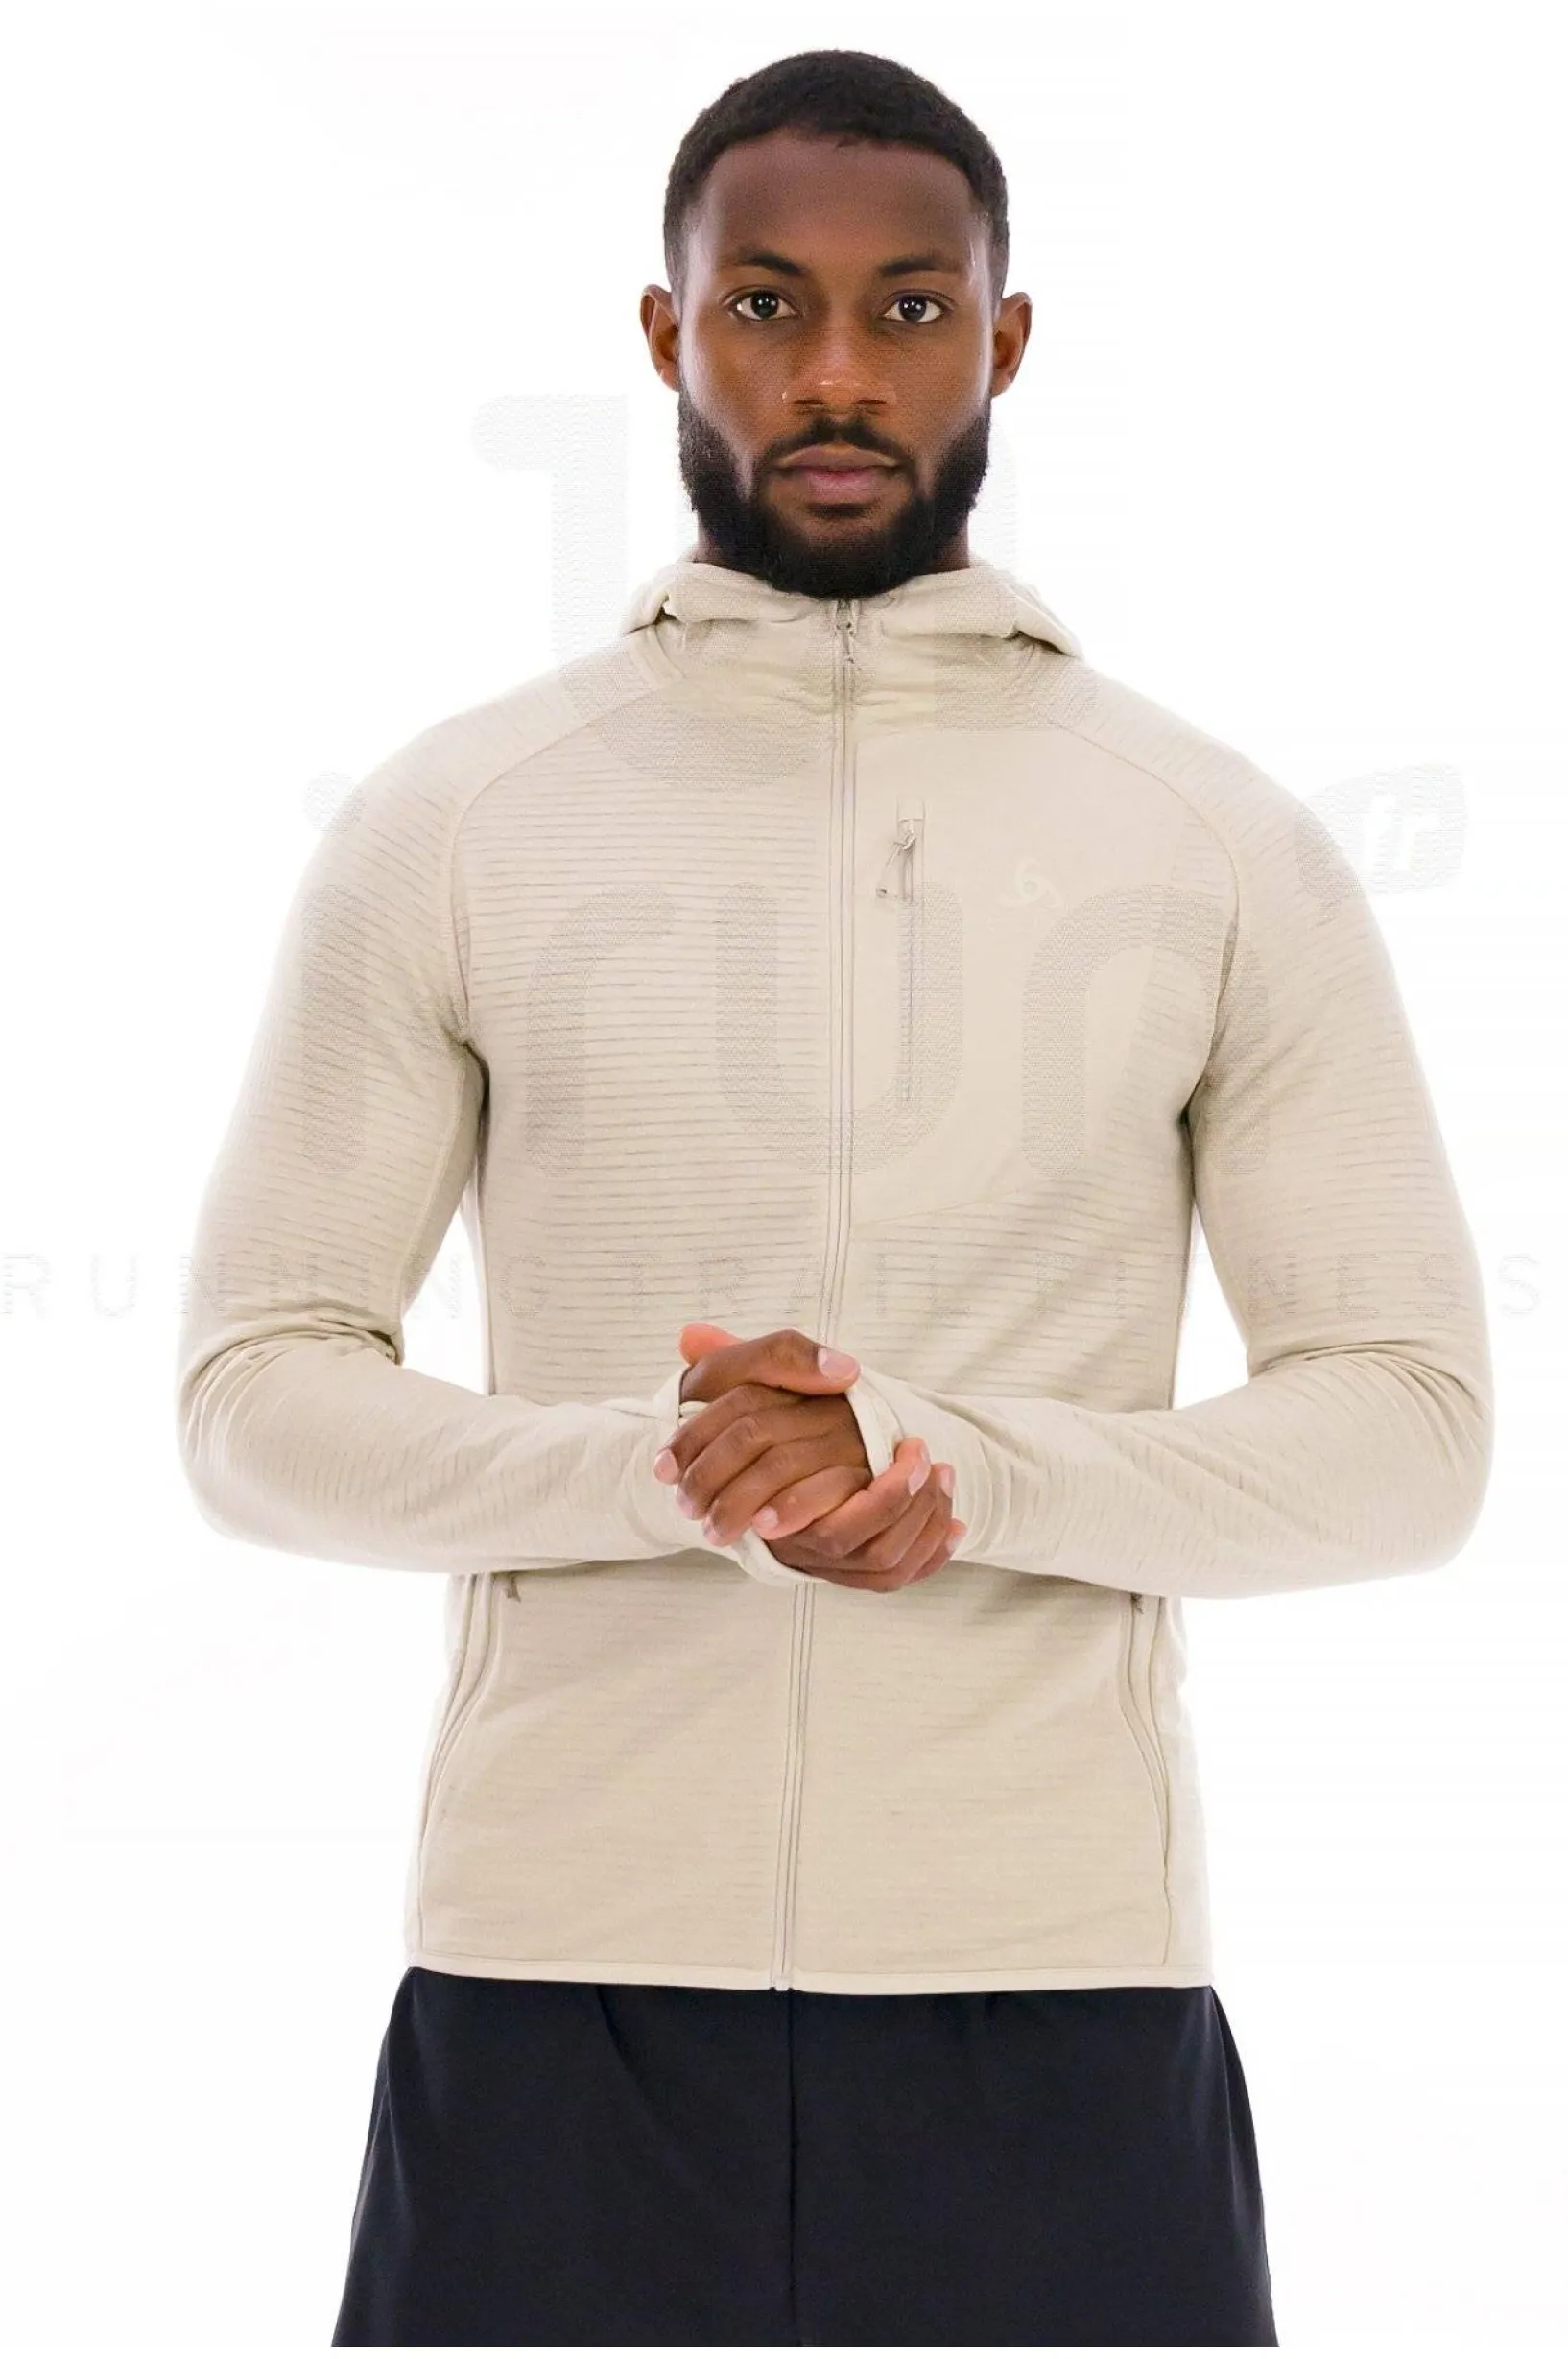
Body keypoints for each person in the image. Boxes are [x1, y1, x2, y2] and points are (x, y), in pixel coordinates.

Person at [174, 45, 1493, 2348]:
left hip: (1057, 1995)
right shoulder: (463, 818)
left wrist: (959, 1467)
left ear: (1004, 336)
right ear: (667, 330)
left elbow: (1409, 1426)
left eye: (908, 306)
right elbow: (250, 1393)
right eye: (767, 302)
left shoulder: (1211, 842)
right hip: (554, 1991)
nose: (836, 372)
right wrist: (670, 1470)